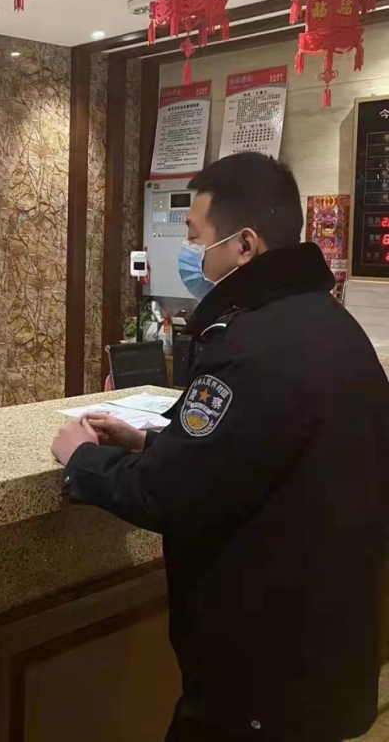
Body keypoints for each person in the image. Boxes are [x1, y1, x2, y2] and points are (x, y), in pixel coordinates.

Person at [50, 153, 389, 742]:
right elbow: (257, 445)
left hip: (258, 678)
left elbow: (167, 493)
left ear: (245, 245)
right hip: (332, 654)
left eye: (196, 236)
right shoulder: (335, 327)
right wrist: (151, 438)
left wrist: (83, 458)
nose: (191, 254)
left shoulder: (248, 344)